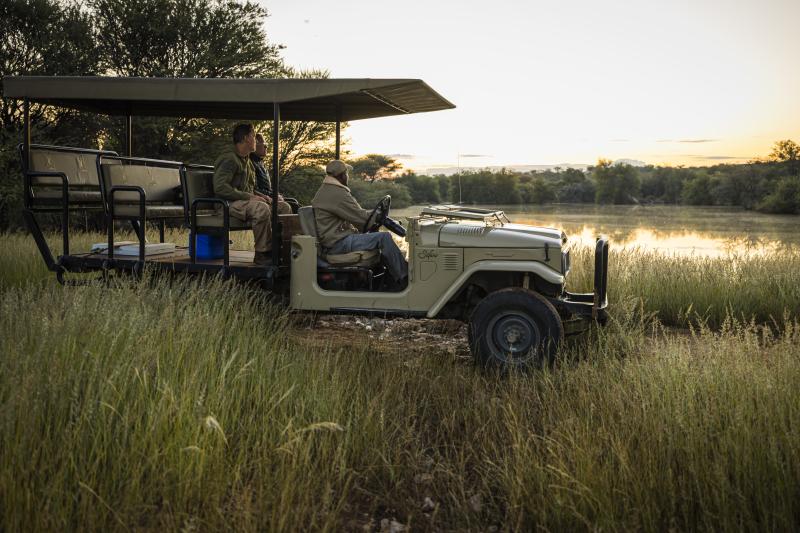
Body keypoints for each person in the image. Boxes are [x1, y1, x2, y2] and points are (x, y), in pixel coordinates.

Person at [311, 160, 408, 285]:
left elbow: (358, 217)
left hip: (335, 240)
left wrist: (375, 217)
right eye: (347, 173)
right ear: (341, 176)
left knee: (377, 236)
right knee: (384, 237)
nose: (348, 177)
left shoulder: (328, 190)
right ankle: (404, 278)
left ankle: (387, 279)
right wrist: (377, 216)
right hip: (337, 243)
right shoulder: (337, 193)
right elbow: (362, 219)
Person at [213, 123, 290, 266]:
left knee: (283, 207)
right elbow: (220, 187)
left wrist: (265, 196)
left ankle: (280, 249)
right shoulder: (230, 159)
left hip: (242, 202)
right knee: (261, 208)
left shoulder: (247, 161)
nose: (256, 140)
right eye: (254, 136)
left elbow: (250, 188)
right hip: (227, 204)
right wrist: (250, 197)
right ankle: (262, 253)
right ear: (246, 138)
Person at [249, 133, 296, 213]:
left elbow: (266, 188)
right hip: (261, 200)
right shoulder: (251, 163)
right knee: (290, 206)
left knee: (294, 203)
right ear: (255, 145)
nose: (266, 147)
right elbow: (255, 189)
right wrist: (274, 196)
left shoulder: (260, 163)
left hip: (267, 197)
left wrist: (276, 194)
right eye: (263, 144)